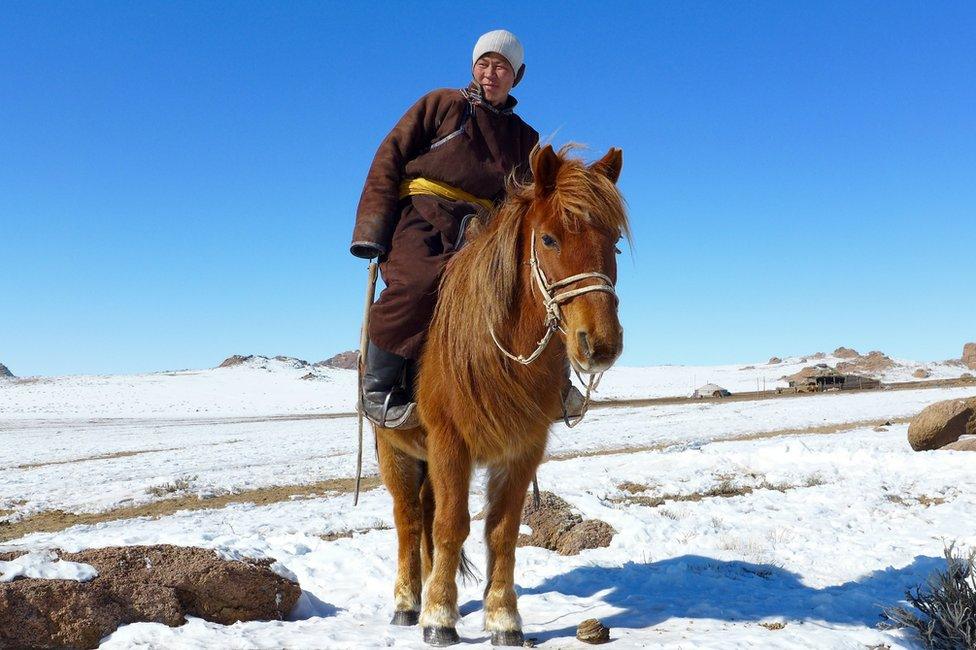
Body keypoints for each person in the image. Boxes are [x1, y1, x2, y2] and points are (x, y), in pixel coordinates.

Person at [350, 30, 582, 429]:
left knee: (535, 289)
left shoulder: (525, 137)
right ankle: (379, 388)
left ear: (517, 75)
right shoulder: (442, 104)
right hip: (423, 217)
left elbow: (534, 196)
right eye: (484, 64)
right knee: (417, 282)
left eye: (502, 66)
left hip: (485, 228)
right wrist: (371, 228)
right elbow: (389, 155)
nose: (491, 73)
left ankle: (556, 382)